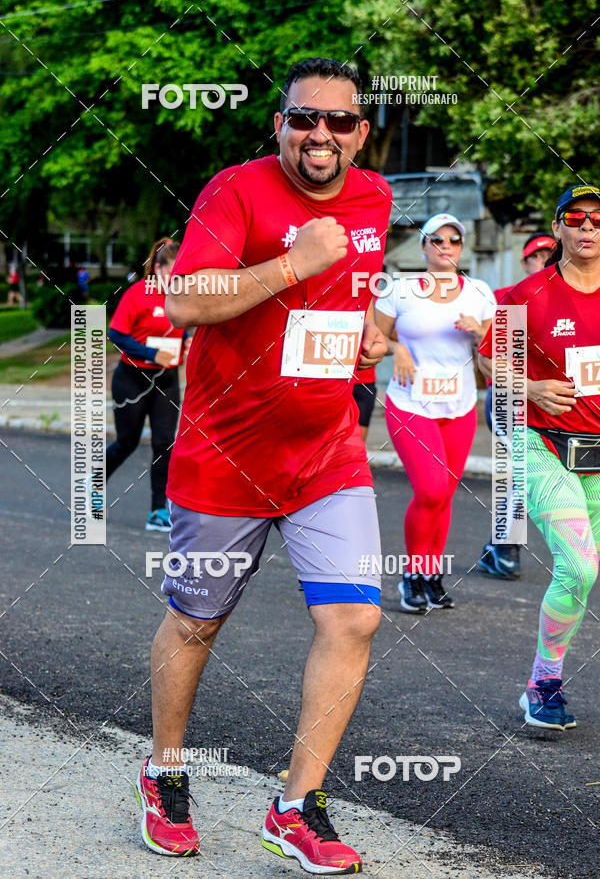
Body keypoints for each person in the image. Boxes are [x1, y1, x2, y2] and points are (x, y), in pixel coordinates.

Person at [134, 58, 391, 873]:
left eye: (338, 122)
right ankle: (165, 774)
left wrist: (372, 329)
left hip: (326, 450)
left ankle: (294, 805)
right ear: (278, 124)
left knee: (354, 618)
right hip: (224, 454)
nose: (320, 134)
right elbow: (183, 301)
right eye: (303, 118)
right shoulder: (236, 191)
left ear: (361, 132)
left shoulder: (376, 197)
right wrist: (292, 264)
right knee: (195, 621)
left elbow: (359, 284)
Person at [479, 184, 600, 730]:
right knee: (578, 563)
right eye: (576, 218)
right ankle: (544, 682)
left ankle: (541, 681)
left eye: (598, 220)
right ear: (558, 230)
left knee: (583, 575)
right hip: (539, 441)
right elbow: (488, 365)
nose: (588, 228)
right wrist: (530, 388)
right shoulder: (525, 295)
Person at [375, 213, 495, 612]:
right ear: (424, 246)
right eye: (437, 240)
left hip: (460, 406)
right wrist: (398, 348)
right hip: (410, 404)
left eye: (454, 240)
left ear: (462, 248)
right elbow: (373, 336)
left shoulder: (479, 292)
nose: (446, 246)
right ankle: (411, 575)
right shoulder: (400, 289)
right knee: (430, 490)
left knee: (444, 497)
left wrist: (479, 332)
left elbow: (497, 352)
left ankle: (430, 575)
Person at [478, 232, 557, 579]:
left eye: (549, 255)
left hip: (551, 405)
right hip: (509, 398)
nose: (543, 261)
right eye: (536, 256)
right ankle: (506, 547)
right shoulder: (505, 297)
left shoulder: (570, 299)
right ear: (525, 262)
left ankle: (497, 547)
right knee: (520, 470)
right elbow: (486, 347)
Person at [106, 239, 186, 531]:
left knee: (165, 444)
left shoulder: (183, 296)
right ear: (157, 268)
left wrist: (187, 341)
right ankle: (94, 483)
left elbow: (187, 326)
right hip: (132, 378)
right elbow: (116, 334)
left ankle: (158, 512)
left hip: (167, 379)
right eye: (173, 273)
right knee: (127, 442)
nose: (178, 280)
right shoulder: (139, 293)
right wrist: (152, 353)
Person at [352, 364, 377, 441]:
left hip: (366, 383)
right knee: (337, 426)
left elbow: (386, 352)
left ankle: (357, 452)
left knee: (362, 424)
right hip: (343, 381)